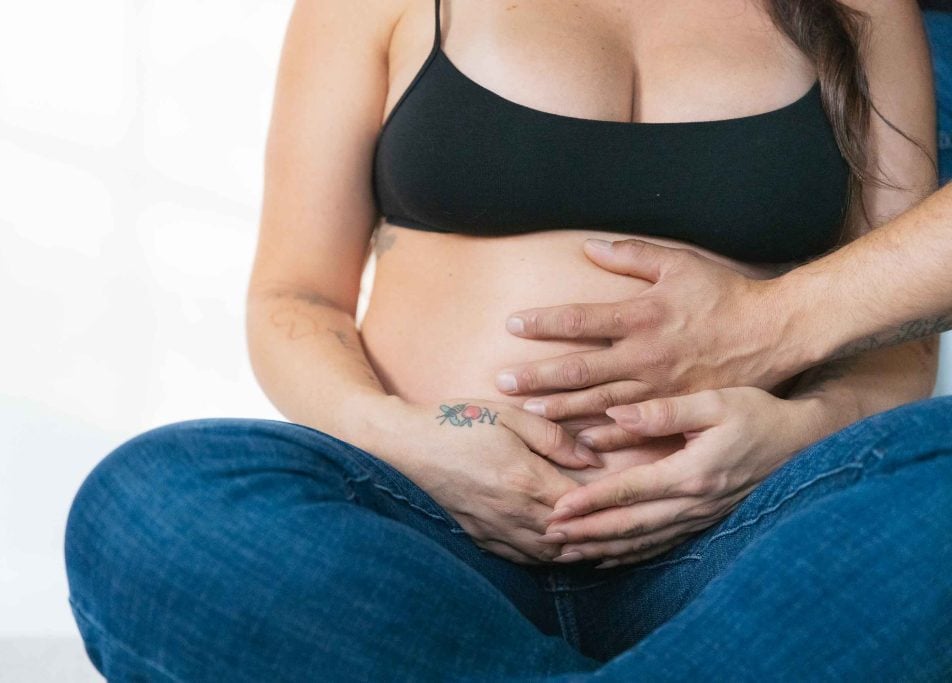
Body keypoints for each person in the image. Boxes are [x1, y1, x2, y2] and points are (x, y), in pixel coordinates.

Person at [64, 1, 951, 681]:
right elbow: (294, 296)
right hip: (427, 538)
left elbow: (894, 338)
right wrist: (408, 439)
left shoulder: (861, 11)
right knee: (153, 500)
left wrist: (790, 436)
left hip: (748, 544)